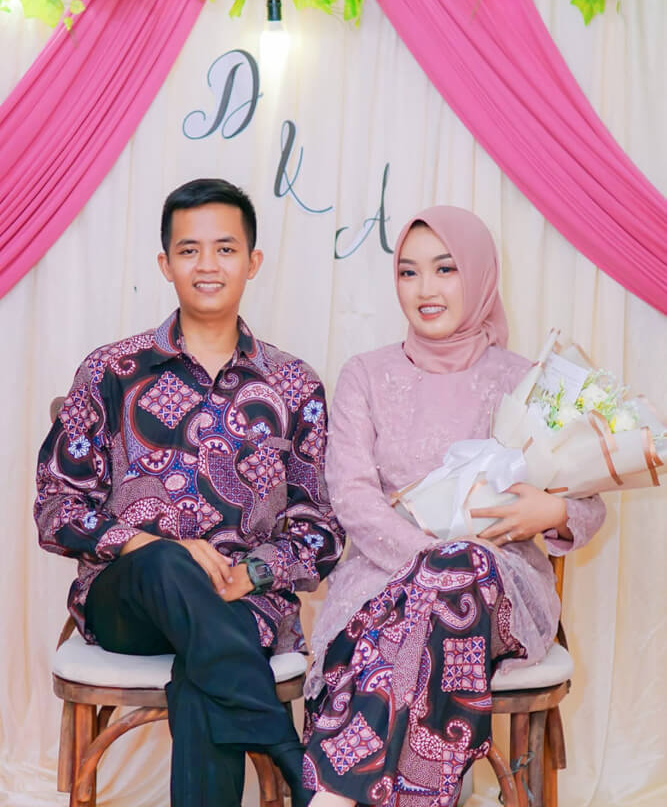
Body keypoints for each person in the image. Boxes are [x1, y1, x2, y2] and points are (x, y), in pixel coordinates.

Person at [35, 178, 345, 807]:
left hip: (242, 604)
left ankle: (295, 769)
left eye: (225, 249)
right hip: (128, 604)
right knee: (166, 563)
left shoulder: (295, 385)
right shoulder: (111, 371)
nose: (208, 265)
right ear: (165, 264)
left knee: (207, 672)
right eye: (189, 250)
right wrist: (149, 545)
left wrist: (251, 573)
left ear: (253, 262)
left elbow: (320, 530)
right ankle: (294, 757)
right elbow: (55, 509)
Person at [303, 205, 605, 807]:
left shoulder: (525, 381)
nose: (425, 289)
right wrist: (434, 562)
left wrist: (550, 513)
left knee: (462, 569)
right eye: (409, 272)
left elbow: (589, 502)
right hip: (381, 581)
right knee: (447, 580)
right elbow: (353, 497)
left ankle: (339, 788)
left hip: (500, 589)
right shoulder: (365, 375)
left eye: (445, 269)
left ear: (480, 275)